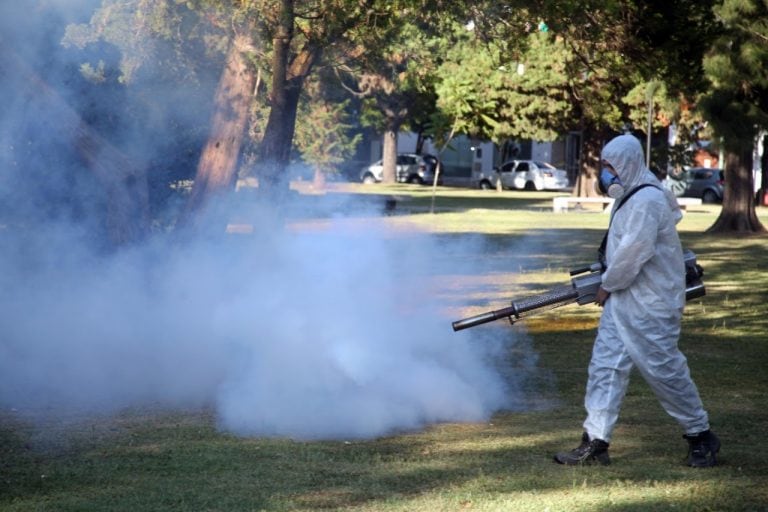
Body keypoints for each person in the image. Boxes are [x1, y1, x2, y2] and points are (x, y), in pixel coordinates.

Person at [553, 134, 720, 468]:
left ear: (626, 164)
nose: (605, 172)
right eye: (604, 166)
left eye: (609, 166)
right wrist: (611, 284)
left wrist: (607, 285)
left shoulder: (647, 200)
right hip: (624, 299)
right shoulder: (629, 193)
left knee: (664, 371)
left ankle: (701, 436)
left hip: (650, 303)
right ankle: (595, 441)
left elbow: (634, 251)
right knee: (605, 368)